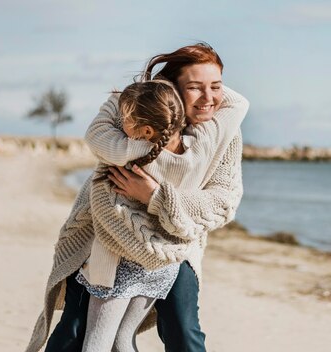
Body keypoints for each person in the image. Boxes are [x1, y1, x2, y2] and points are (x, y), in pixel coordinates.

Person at [26, 42, 249, 352]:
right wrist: (148, 134)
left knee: (183, 331)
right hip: (105, 234)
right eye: (196, 88)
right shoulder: (139, 109)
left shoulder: (225, 134)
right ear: (170, 88)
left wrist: (155, 196)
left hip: (175, 243)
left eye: (216, 86)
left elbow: (224, 203)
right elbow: (98, 136)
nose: (209, 98)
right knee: (73, 331)